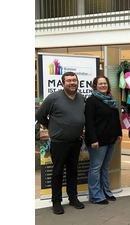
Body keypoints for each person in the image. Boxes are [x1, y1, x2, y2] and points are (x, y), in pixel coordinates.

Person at [35, 71, 85, 215]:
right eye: (68, 80)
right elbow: (40, 115)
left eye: (74, 80)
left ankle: (73, 198)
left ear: (77, 82)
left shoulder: (81, 98)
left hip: (75, 142)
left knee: (72, 171)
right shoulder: (54, 98)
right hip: (59, 143)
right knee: (57, 173)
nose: (72, 83)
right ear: (63, 83)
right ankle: (56, 201)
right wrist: (51, 126)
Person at [84, 75, 123, 204]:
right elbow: (89, 122)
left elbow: (115, 119)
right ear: (95, 86)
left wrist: (119, 133)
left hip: (110, 139)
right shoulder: (91, 100)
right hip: (97, 141)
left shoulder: (111, 100)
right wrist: (94, 139)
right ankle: (95, 195)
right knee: (96, 167)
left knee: (105, 166)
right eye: (100, 84)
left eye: (104, 83)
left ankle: (105, 191)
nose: (103, 85)